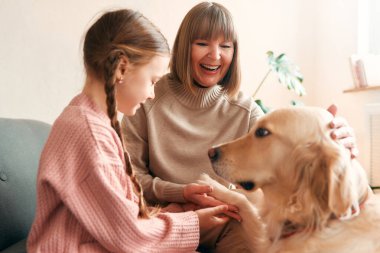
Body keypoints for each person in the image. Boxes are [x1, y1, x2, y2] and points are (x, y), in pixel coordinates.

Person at [121, 2, 358, 252]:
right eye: (202, 44)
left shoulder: (244, 110)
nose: (215, 55)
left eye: (225, 46)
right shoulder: (147, 97)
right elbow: (129, 179)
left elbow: (290, 157)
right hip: (166, 218)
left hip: (225, 220)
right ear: (183, 47)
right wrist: (181, 193)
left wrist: (336, 143)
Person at [27, 9, 236, 253]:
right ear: (122, 69)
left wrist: (183, 208)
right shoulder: (89, 134)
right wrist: (194, 223)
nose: (152, 94)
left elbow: (121, 219)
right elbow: (127, 235)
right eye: (153, 81)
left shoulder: (89, 121)